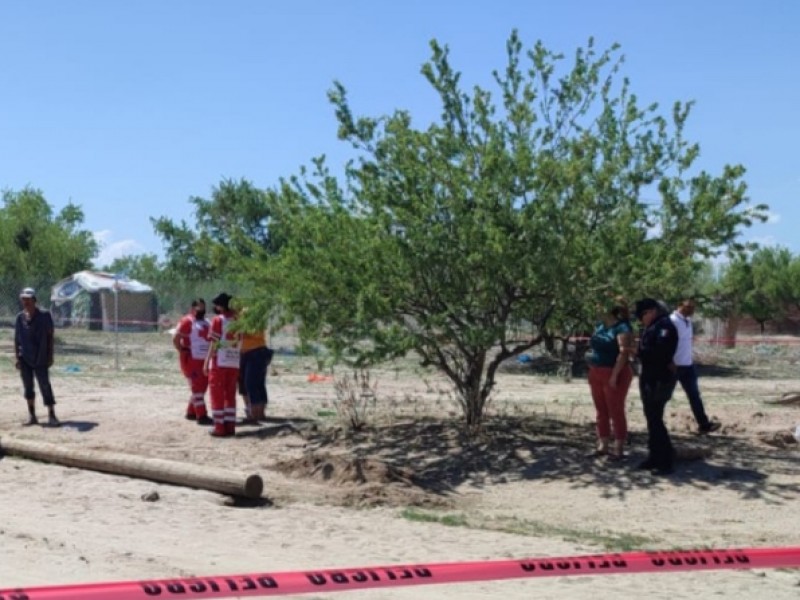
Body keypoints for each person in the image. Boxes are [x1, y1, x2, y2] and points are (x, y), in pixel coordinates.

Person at [634, 297, 679, 475]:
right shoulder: (653, 327)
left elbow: (660, 353)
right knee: (651, 418)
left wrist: (638, 351)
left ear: (652, 311)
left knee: (655, 419)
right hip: (649, 377)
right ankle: (655, 456)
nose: (640, 319)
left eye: (642, 315)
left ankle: (666, 460)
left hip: (660, 378)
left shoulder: (664, 327)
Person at [587, 297, 634, 459]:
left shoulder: (622, 327)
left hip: (615, 373)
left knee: (616, 410)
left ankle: (618, 448)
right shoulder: (599, 326)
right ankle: (603, 444)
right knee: (601, 410)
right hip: (596, 371)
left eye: (599, 307)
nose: (596, 310)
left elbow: (624, 353)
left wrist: (614, 376)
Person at [670, 297, 721, 434]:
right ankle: (655, 425)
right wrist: (670, 361)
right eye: (688, 307)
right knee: (663, 397)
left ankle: (704, 424)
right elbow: (666, 343)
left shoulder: (687, 321)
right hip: (673, 367)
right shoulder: (672, 321)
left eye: (693, 307)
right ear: (679, 305)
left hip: (687, 365)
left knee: (694, 396)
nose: (691, 310)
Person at [14, 287, 60, 427]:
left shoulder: (45, 316)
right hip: (25, 358)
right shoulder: (20, 318)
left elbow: (50, 336)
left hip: (41, 357)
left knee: (45, 385)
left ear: (34, 300)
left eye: (28, 299)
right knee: (28, 387)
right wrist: (17, 358)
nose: (25, 302)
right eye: (24, 299)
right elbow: (16, 340)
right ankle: (32, 415)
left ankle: (52, 415)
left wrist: (50, 355)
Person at [203, 293, 240, 437]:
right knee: (230, 394)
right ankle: (230, 425)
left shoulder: (218, 320)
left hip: (220, 362)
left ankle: (219, 427)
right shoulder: (239, 321)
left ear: (222, 306)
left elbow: (214, 343)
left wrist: (206, 361)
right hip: (234, 362)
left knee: (217, 394)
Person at [173, 298, 212, 425]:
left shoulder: (207, 322)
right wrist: (182, 351)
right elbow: (176, 338)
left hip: (205, 359)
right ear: (193, 308)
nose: (202, 310)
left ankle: (191, 412)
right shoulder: (187, 321)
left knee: (202, 387)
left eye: (203, 308)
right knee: (197, 387)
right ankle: (201, 415)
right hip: (192, 359)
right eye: (199, 308)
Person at [238, 316, 273, 424]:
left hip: (256, 352)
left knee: (251, 384)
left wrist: (241, 330)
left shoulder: (250, 314)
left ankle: (255, 414)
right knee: (254, 384)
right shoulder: (239, 315)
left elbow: (254, 332)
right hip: (246, 352)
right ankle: (258, 413)